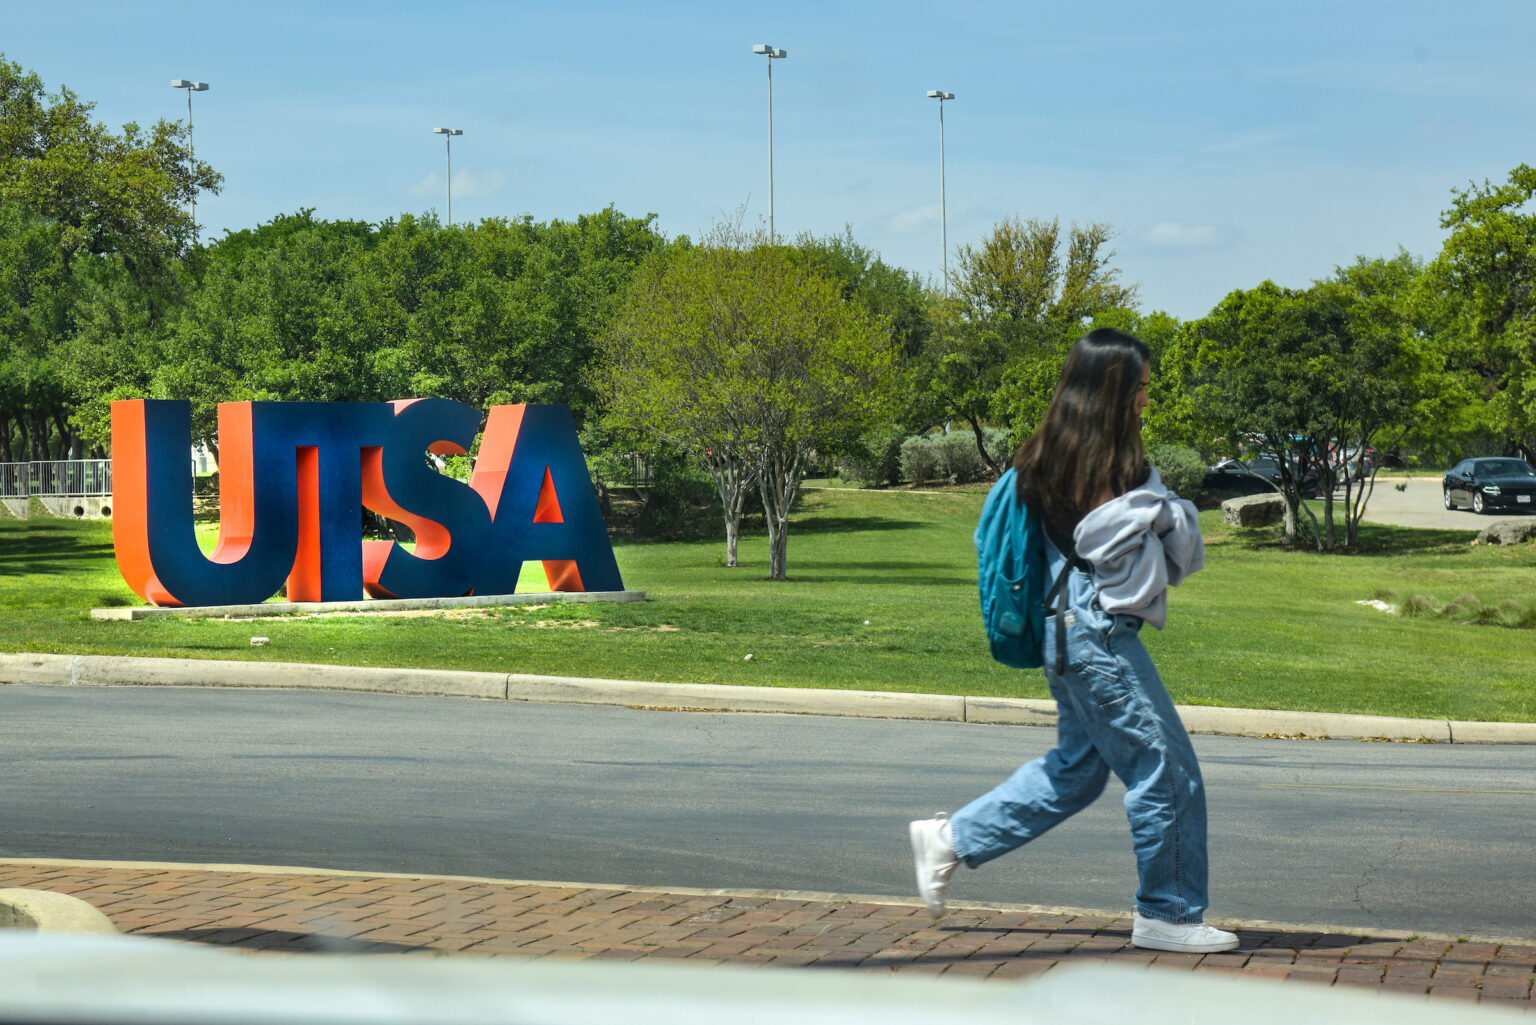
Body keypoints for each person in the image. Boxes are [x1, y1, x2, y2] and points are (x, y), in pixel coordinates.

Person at [908, 328, 1237, 954]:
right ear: (1111, 391)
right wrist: (1166, 513)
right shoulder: (1105, 466)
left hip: (1063, 632)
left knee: (1077, 772)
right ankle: (1167, 913)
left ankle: (951, 840)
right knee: (1166, 770)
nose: (1147, 399)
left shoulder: (1046, 454)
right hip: (1096, 636)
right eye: (1140, 389)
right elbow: (1124, 554)